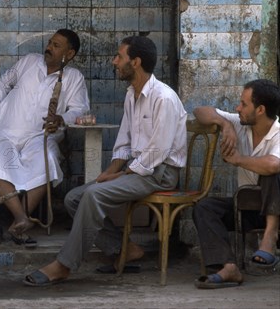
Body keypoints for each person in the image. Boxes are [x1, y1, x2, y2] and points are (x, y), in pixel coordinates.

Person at [24, 35, 187, 286]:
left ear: (135, 62)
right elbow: (124, 145)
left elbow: (154, 156)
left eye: (119, 57)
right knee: (74, 197)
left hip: (159, 174)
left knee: (94, 195)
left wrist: (117, 176)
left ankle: (64, 265)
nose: (114, 61)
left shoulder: (163, 98)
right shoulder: (132, 94)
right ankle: (123, 249)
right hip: (139, 170)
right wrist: (106, 174)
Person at [0, 29, 90, 246]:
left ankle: (17, 222)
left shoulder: (74, 78)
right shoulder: (29, 61)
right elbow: (5, 82)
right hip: (6, 130)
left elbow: (80, 109)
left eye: (56, 45)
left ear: (69, 54)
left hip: (40, 136)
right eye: (50, 42)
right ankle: (21, 218)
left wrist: (62, 118)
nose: (49, 47)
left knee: (47, 159)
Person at [192, 79, 280, 289]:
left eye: (243, 104)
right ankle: (229, 266)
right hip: (248, 209)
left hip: (277, 205)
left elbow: (272, 165)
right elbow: (199, 111)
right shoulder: (240, 123)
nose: (237, 108)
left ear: (260, 109)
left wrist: (238, 159)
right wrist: (225, 124)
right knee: (204, 208)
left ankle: (271, 234)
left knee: (270, 170)